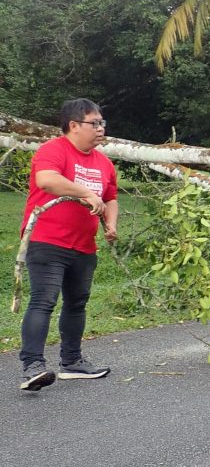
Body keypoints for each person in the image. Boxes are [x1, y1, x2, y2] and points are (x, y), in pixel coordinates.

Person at [18, 98, 117, 391]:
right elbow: (47, 180)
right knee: (44, 301)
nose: (101, 129)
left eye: (102, 123)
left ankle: (72, 363)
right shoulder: (54, 150)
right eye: (94, 123)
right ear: (73, 126)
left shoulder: (104, 162)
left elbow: (110, 198)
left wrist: (111, 225)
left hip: (84, 245)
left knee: (77, 303)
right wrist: (86, 192)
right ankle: (32, 367)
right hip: (47, 240)